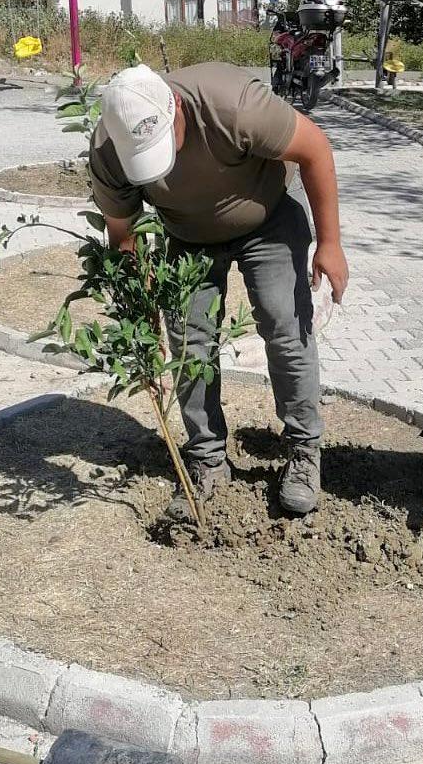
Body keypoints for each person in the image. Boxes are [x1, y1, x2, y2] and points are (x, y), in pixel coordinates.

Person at [88, 62, 349, 518]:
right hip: (186, 239)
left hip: (267, 219)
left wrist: (329, 243)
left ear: (177, 110)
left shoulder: (233, 104)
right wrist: (137, 296)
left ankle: (305, 453)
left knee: (286, 329)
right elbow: (123, 233)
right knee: (190, 344)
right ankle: (207, 459)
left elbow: (315, 149)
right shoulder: (109, 149)